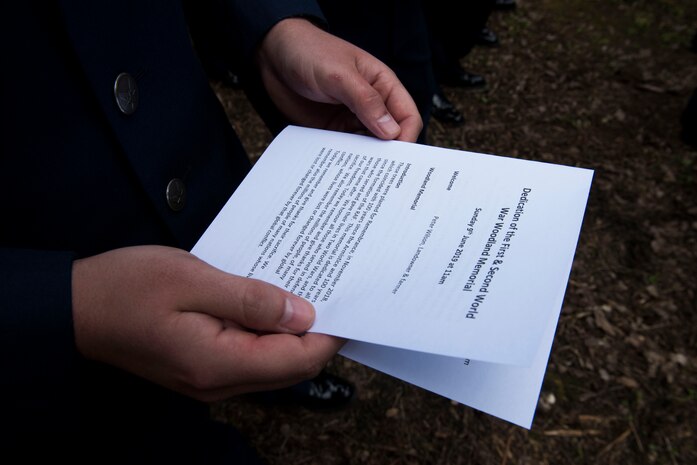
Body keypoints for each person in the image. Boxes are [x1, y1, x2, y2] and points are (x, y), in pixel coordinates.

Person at [0, 1, 421, 461]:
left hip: (202, 173)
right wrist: (61, 303)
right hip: (50, 318)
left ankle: (274, 382)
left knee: (262, 320)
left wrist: (271, 27)